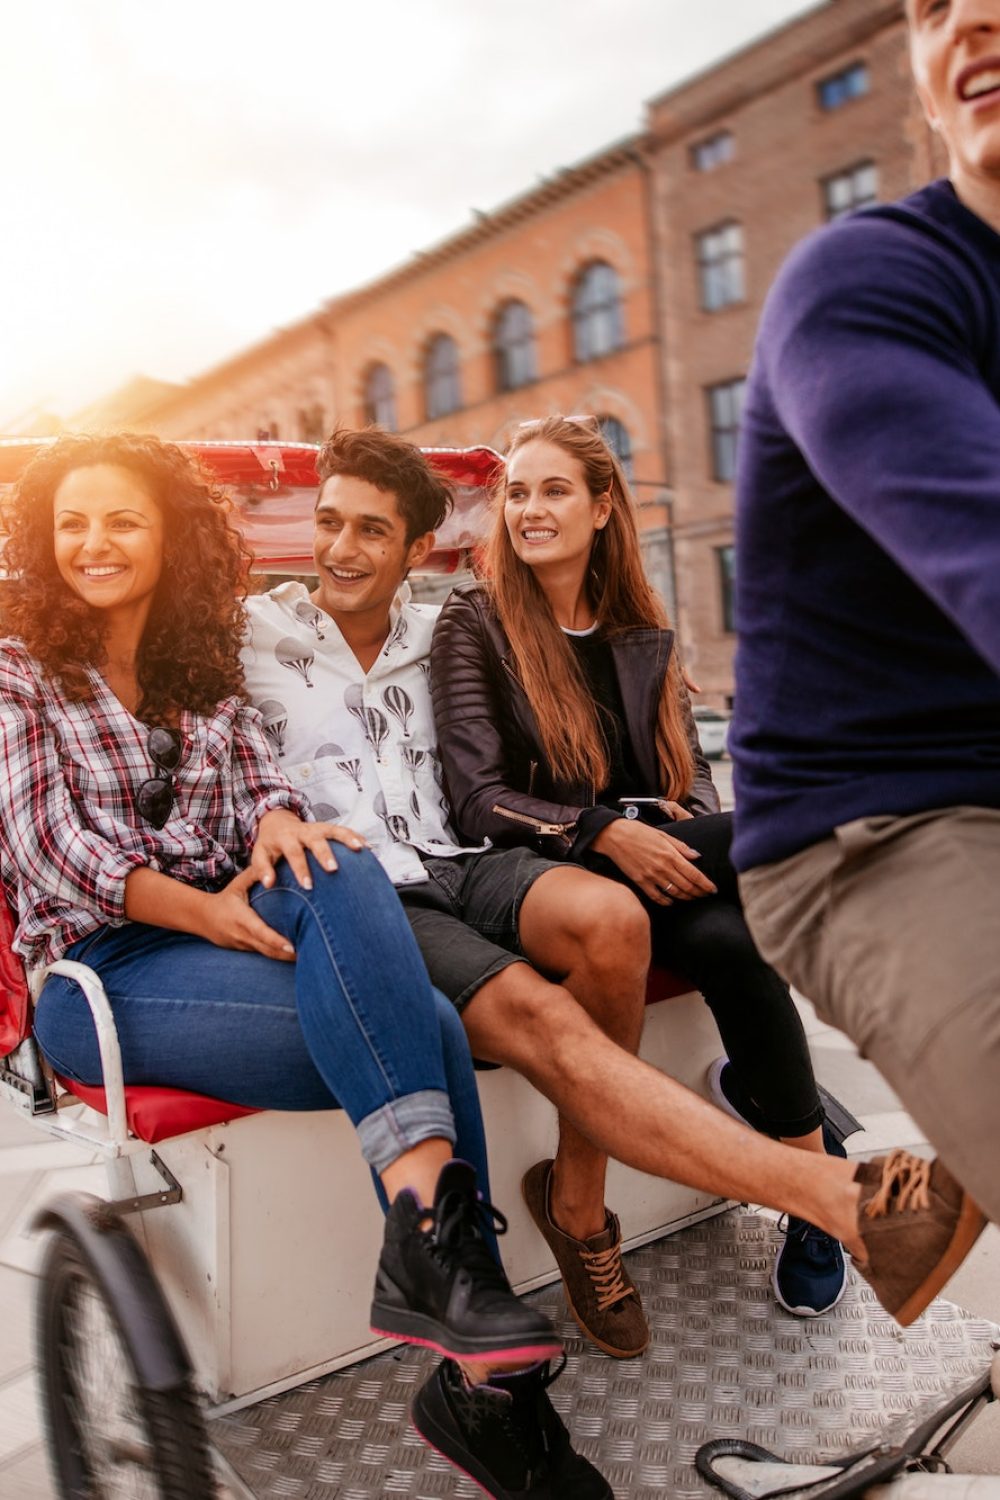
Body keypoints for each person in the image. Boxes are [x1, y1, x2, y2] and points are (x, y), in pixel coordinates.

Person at [243, 427, 980, 1385]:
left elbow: (682, 766)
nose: (341, 548)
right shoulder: (272, 634)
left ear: (416, 548)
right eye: (328, 523)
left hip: (492, 864)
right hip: (415, 877)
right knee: (644, 941)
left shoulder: (465, 627)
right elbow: (205, 735)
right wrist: (262, 819)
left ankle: (723, 1167)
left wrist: (664, 821)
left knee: (687, 931)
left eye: (371, 531)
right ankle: (800, 1190)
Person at [0, 433, 586, 1491]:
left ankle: (433, 1261)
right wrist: (203, 912)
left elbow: (262, 783)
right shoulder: (18, 673)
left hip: (229, 926)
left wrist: (272, 821)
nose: (96, 542)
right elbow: (48, 845)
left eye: (123, 519)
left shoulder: (201, 671)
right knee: (424, 1026)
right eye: (73, 522)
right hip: (104, 971)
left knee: (337, 858)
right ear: (47, 543)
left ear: (168, 535)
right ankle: (481, 1381)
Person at [432, 415, 863, 1311]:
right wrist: (601, 831)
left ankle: (810, 1188)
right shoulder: (474, 619)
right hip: (538, 864)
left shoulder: (638, 625)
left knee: (732, 943)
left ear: (601, 509)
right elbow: (477, 795)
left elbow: (692, 780)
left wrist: (679, 834)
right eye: (516, 492)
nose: (530, 510)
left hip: (648, 860)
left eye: (554, 491)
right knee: (800, 827)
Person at [729, 0, 1000, 1240]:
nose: (973, 16)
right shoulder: (866, 280)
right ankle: (840, 1199)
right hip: (882, 827)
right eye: (934, 2)